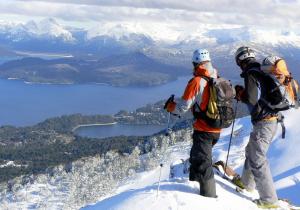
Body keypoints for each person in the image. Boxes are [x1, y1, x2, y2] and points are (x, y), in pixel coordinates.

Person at [165, 49, 221, 198]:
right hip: (217, 126)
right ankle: (199, 191)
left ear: (195, 63)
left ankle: (208, 198)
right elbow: (200, 99)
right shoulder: (215, 76)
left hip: (204, 129)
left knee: (204, 163)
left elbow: (184, 107)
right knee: (197, 157)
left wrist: (171, 107)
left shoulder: (196, 81)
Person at [234, 46, 279, 208]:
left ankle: (269, 200)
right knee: (251, 151)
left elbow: (252, 99)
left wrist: (241, 94)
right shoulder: (261, 70)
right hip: (270, 120)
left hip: (264, 122)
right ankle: (246, 183)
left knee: (258, 158)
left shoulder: (251, 73)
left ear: (240, 61)